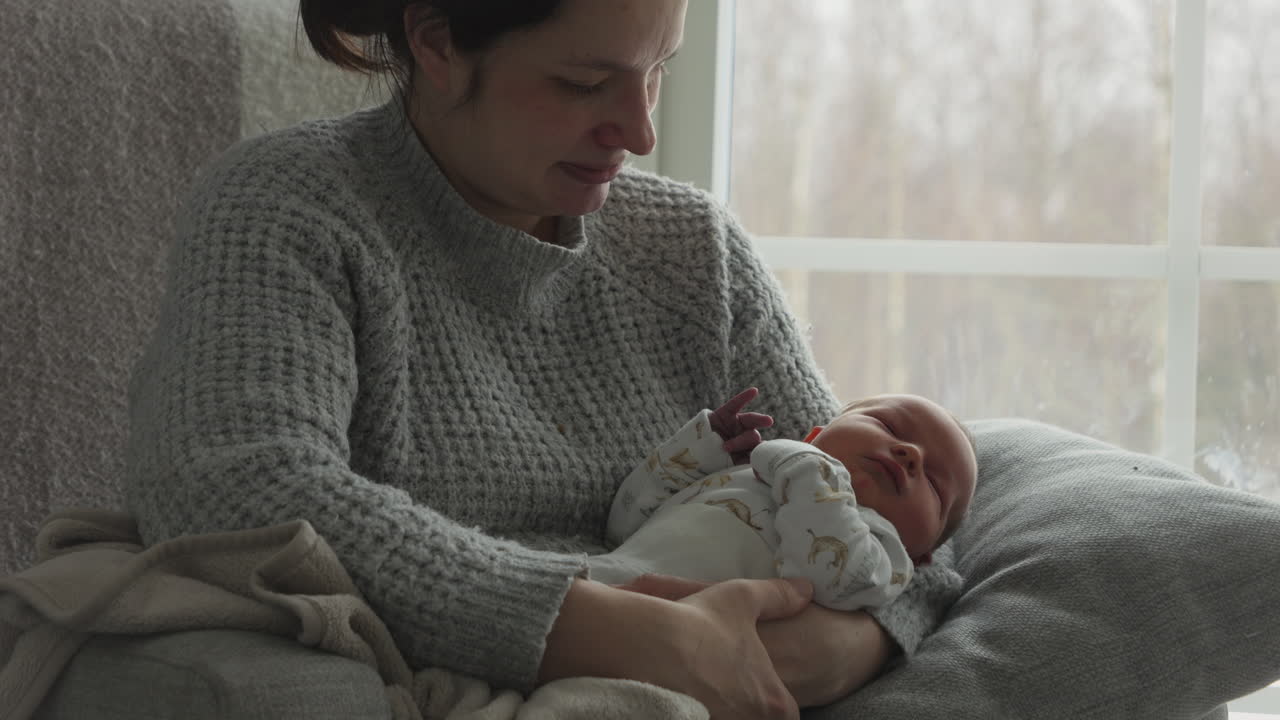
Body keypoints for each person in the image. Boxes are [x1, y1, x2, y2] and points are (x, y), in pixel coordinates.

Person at [123, 1, 964, 718]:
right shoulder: (288, 206)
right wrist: (597, 627)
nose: (639, 130)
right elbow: (233, 484)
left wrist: (848, 643)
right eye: (583, 83)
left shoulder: (691, 248)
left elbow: (886, 519)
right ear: (439, 41)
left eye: (658, 71)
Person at [595, 388, 977, 613]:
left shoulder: (881, 553)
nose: (911, 453)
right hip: (598, 585)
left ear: (922, 555)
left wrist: (813, 471)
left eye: (935, 483)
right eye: (889, 426)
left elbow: (826, 579)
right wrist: (697, 449)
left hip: (678, 650)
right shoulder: (751, 472)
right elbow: (625, 521)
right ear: (813, 437)